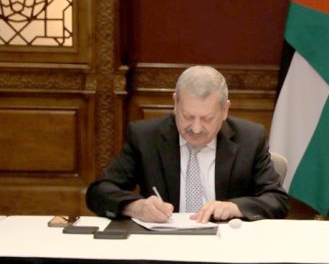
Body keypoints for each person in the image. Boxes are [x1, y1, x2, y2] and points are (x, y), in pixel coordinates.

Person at [86, 65, 289, 223]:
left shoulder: (249, 139)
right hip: (163, 247)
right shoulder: (146, 137)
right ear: (175, 104)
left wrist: (235, 208)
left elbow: (277, 200)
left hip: (226, 247)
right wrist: (135, 207)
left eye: (207, 119)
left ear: (225, 110)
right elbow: (99, 192)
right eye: (187, 116)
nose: (196, 128)